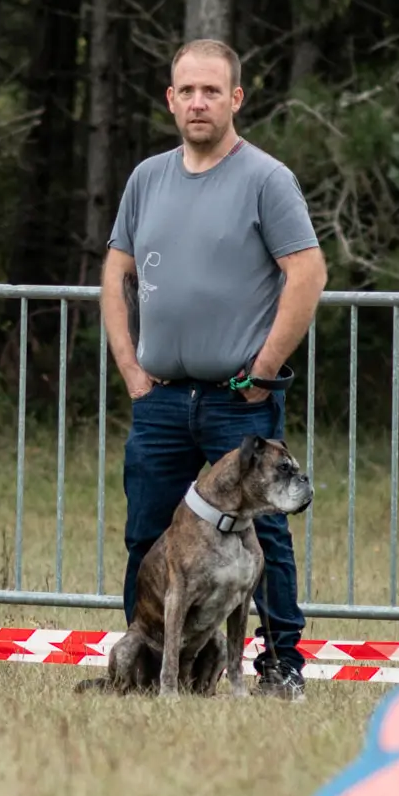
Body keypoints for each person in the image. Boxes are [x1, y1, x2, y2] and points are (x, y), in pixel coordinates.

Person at [100, 38, 327, 700]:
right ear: (170, 100)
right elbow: (117, 272)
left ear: (236, 98)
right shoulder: (147, 179)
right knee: (148, 535)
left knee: (267, 539)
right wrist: (133, 374)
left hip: (238, 404)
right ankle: (144, 671)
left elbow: (307, 272)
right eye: (186, 91)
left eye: (211, 90)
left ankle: (280, 667)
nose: (197, 102)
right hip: (163, 400)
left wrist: (263, 371)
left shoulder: (266, 179)